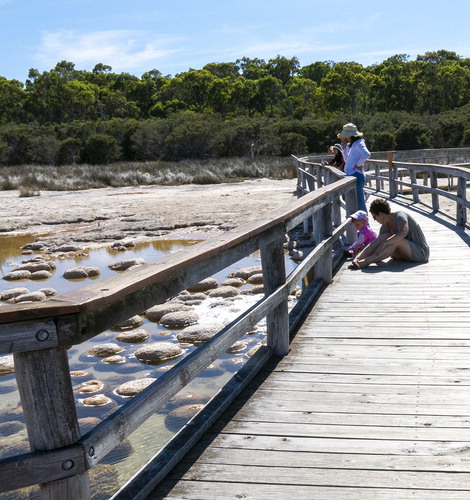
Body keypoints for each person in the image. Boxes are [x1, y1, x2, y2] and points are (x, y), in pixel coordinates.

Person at [350, 198, 430, 269]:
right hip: (401, 256)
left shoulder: (400, 215)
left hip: (420, 253)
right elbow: (375, 245)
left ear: (381, 214)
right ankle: (357, 260)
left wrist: (385, 243)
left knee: (396, 240)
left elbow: (403, 233)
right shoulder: (385, 227)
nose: (374, 220)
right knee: (384, 236)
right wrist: (358, 257)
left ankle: (365, 262)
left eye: (374, 217)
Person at [338, 123, 370, 212]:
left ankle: (364, 223)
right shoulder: (353, 144)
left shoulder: (359, 143)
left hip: (356, 175)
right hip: (353, 174)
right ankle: (360, 222)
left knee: (359, 202)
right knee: (356, 201)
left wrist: (358, 164)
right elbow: (347, 160)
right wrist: (344, 149)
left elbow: (367, 154)